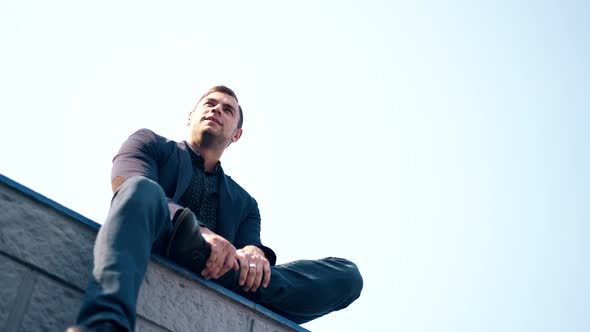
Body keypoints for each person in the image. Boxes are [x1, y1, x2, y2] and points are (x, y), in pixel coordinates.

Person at [67, 86, 363, 332]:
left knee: (347, 275)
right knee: (141, 191)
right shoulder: (150, 144)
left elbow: (251, 245)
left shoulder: (245, 203)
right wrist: (201, 231)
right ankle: (104, 325)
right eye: (209, 104)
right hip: (159, 237)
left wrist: (253, 255)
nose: (216, 110)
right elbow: (127, 184)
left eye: (227, 109)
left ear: (237, 134)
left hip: (224, 271)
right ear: (190, 116)